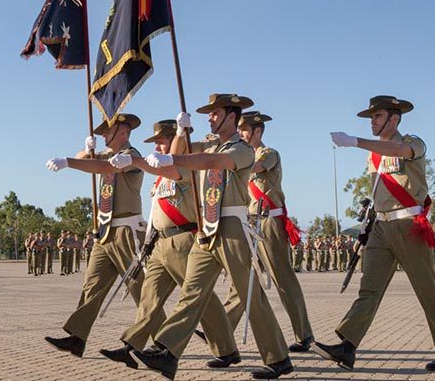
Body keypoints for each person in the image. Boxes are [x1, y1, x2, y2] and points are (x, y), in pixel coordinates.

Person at [136, 95, 292, 379]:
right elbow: (185, 157)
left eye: (214, 113)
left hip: (232, 225)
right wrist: (181, 133)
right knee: (192, 292)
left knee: (249, 296)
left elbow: (212, 161)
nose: (209, 118)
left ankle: (279, 358)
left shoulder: (242, 149)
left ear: (231, 116)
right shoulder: (207, 143)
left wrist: (174, 156)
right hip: (207, 226)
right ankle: (167, 352)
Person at [315, 95, 435, 371]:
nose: (372, 121)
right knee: (369, 289)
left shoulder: (413, 142)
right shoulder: (374, 155)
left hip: (409, 226)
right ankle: (347, 346)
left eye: (378, 116)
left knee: (427, 289)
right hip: (381, 227)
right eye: (371, 117)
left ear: (394, 118)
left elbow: (400, 152)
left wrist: (355, 142)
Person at [100, 119, 238, 371]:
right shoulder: (158, 175)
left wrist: (180, 133)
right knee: (149, 297)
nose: (159, 147)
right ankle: (131, 345)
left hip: (183, 240)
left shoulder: (183, 168)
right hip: (160, 243)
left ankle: (226, 348)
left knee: (197, 297)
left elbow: (175, 161)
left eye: (163, 141)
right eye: (157, 142)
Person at [44, 113, 154, 359]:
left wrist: (69, 162)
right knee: (92, 284)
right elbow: (89, 159)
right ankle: (77, 336)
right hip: (105, 231)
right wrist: (85, 150)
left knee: (139, 288)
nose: (104, 135)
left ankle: (162, 342)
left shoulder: (131, 156)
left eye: (108, 131)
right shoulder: (107, 154)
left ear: (123, 132)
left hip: (127, 231)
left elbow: (103, 167)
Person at [216, 110, 314, 352]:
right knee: (243, 280)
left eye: (245, 130)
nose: (241, 133)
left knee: (283, 279)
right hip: (248, 222)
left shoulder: (268, 153)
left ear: (257, 131)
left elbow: (256, 167)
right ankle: (223, 328)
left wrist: (231, 157)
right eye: (239, 129)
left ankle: (304, 334)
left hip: (268, 221)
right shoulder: (238, 153)